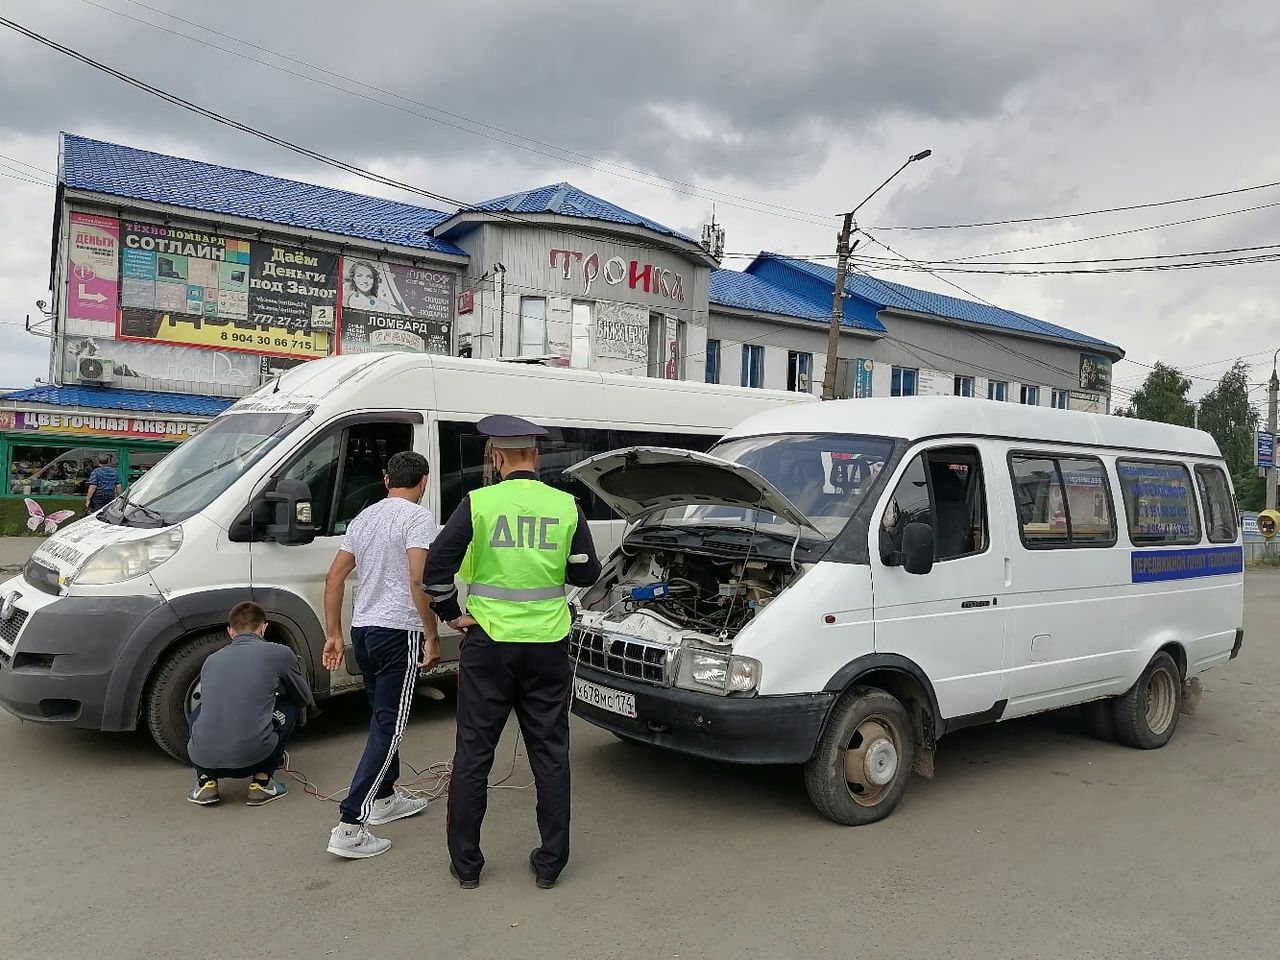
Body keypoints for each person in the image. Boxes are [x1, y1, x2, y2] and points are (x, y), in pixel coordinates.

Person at [424, 415, 601, 890]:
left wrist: (449, 613)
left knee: (473, 756)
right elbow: (586, 574)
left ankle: (467, 867)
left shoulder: (477, 504)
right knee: (550, 754)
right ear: (536, 457)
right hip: (547, 646)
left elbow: (435, 571)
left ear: (496, 457)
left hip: (488, 646)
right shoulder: (566, 506)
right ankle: (550, 865)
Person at [322, 450, 441, 860]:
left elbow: (334, 576)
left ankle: (387, 797)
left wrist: (334, 634)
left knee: (379, 717)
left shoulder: (365, 516)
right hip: (398, 632)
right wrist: (431, 634)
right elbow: (417, 578)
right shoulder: (418, 518)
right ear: (423, 482)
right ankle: (351, 824)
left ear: (386, 479)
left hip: (365, 630)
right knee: (389, 727)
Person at [186, 601, 317, 806]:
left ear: (230, 631)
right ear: (264, 628)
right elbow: (303, 697)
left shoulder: (211, 660)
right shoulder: (279, 653)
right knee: (290, 705)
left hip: (204, 758)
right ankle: (262, 782)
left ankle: (206, 782)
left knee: (202, 711)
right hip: (254, 757)